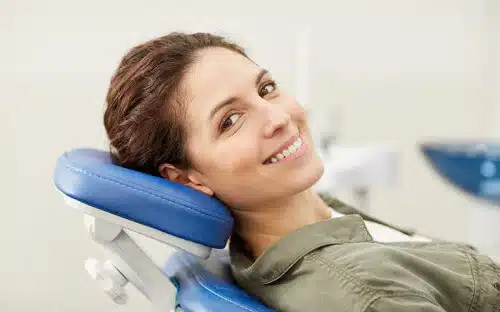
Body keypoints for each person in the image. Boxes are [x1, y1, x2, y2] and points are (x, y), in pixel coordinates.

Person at [103, 32, 500, 312]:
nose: (277, 117)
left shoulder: (315, 216)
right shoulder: (366, 295)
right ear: (188, 178)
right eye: (230, 120)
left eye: (266, 89)